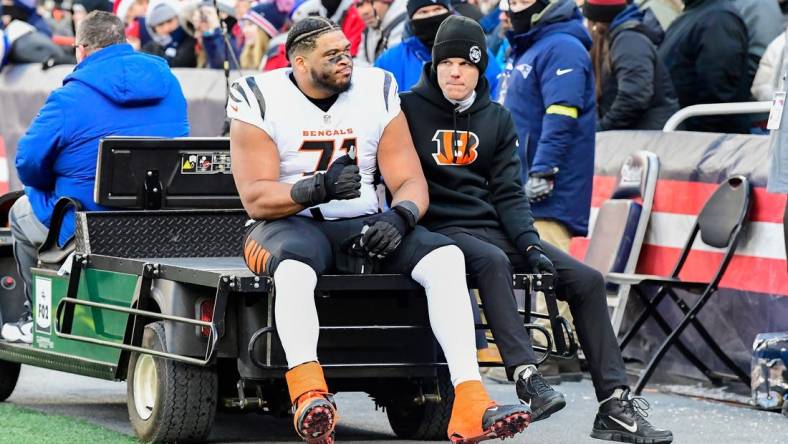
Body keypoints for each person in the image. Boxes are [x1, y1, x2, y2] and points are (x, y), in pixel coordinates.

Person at [227, 16, 531, 444]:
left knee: (446, 257)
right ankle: (309, 393)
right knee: (294, 269)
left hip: (364, 219)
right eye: (331, 56)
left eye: (346, 51)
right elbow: (255, 197)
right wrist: (317, 187)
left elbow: (410, 180)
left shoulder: (376, 89)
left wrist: (401, 215)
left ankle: (469, 397)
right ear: (298, 62)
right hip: (287, 225)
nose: (345, 62)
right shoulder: (259, 97)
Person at [400, 14, 674, 444]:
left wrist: (530, 244)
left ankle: (615, 405)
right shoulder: (405, 109)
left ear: (480, 68)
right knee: (490, 259)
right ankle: (527, 376)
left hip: (491, 227)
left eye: (468, 64)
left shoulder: (497, 118)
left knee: (585, 279)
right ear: (434, 64)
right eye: (448, 62)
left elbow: (509, 194)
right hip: (436, 230)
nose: (456, 71)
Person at [1, 11, 188, 344]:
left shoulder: (69, 98)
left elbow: (28, 162)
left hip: (85, 224)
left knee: (18, 212)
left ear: (81, 50)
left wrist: (43, 186)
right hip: (157, 221)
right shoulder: (169, 82)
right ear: (124, 42)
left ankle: (34, 316)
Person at [496, 0, 595, 376]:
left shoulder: (562, 46)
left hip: (547, 184)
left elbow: (562, 112)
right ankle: (552, 351)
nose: (516, 7)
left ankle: (550, 352)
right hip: (517, 180)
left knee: (549, 266)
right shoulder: (525, 46)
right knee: (536, 266)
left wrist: (543, 170)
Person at [583, 0, 678, 131]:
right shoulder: (618, 38)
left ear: (595, 22)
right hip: (638, 135)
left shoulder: (628, 41)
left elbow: (635, 97)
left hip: (650, 138)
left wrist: (602, 128)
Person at [658, 0, 749, 133]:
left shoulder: (719, 19)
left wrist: (701, 138)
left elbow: (718, 90)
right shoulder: (695, 14)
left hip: (707, 142)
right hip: (685, 134)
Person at [374, 0, 501, 93]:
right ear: (411, 19)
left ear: (449, 12)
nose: (431, 16)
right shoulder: (389, 60)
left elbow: (496, 93)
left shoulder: (475, 50)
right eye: (423, 12)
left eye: (437, 10)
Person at [141, 0, 198, 67]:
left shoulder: (190, 40)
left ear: (178, 19)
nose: (166, 28)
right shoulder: (149, 48)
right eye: (160, 24)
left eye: (169, 21)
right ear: (153, 29)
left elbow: (182, 63)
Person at [355, 0, 407, 65]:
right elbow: (360, 62)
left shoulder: (403, 26)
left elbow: (392, 66)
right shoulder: (368, 30)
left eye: (371, 2)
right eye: (359, 5)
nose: (365, 11)